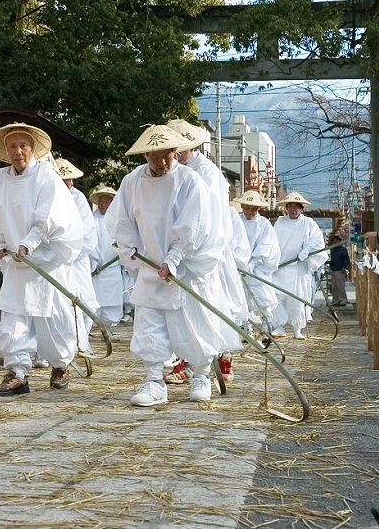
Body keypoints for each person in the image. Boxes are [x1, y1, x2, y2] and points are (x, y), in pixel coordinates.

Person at [109, 124, 240, 407]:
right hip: (150, 267)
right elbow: (122, 221)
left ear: (175, 151)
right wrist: (129, 248)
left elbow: (195, 224)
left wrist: (175, 258)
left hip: (188, 267)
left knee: (194, 324)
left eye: (167, 154)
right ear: (146, 156)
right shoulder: (132, 182)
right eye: (155, 156)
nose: (162, 161)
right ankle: (155, 381)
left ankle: (202, 375)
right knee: (149, 325)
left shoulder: (190, 181)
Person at [0, 122, 82, 396]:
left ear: (33, 149)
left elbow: (48, 217)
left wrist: (29, 244)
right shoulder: (0, 179)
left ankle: (60, 364)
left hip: (45, 261)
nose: (18, 152)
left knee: (51, 318)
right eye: (12, 146)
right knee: (14, 317)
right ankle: (17, 371)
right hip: (16, 264)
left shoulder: (46, 177)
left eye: (23, 146)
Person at [167, 119, 248, 384]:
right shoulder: (171, 170)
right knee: (185, 308)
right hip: (178, 250)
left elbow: (208, 218)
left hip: (207, 250)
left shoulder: (207, 172)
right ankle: (190, 359)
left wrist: (193, 247)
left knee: (211, 305)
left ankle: (216, 358)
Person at [53, 157, 101, 355]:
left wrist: (70, 253)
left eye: (69, 179)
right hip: (54, 260)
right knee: (54, 305)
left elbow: (87, 235)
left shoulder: (79, 199)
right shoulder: (48, 195)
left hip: (76, 261)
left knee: (85, 302)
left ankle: (80, 342)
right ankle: (54, 348)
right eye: (62, 179)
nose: (66, 183)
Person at [270, 192, 327, 339]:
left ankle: (297, 329)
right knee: (277, 297)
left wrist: (307, 251)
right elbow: (272, 242)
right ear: (286, 208)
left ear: (301, 208)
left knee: (296, 299)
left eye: (296, 207)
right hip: (280, 266)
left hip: (297, 268)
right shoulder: (280, 222)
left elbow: (317, 243)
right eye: (290, 206)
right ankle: (279, 326)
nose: (293, 210)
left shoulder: (308, 224)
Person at [236, 190, 281, 332]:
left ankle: (266, 325)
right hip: (239, 267)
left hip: (258, 268)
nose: (249, 212)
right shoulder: (236, 221)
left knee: (263, 296)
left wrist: (253, 262)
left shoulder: (264, 224)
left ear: (257, 209)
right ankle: (245, 325)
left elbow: (266, 245)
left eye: (252, 209)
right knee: (240, 297)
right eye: (246, 208)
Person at [89, 185, 124, 326]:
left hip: (113, 266)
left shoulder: (118, 219)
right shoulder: (92, 219)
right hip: (96, 267)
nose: (104, 204)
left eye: (107, 202)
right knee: (96, 297)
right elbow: (90, 241)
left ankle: (111, 324)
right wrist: (95, 260)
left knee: (112, 296)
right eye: (101, 201)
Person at [327, 234, 350, 307]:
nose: (335, 242)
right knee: (334, 286)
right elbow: (330, 259)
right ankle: (335, 300)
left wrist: (344, 267)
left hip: (340, 270)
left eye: (336, 241)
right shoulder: (332, 250)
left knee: (340, 286)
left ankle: (343, 300)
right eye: (334, 241)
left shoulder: (343, 250)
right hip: (333, 269)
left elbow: (346, 259)